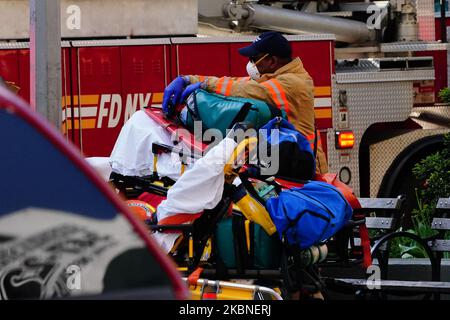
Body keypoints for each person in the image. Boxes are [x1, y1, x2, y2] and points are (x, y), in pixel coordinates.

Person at [162, 31, 328, 174]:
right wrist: (188, 79)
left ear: (271, 61)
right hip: (288, 160)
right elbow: (236, 82)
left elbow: (243, 89)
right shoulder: (273, 77)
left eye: (254, 58)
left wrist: (204, 85)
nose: (250, 63)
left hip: (307, 167)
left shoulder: (292, 83)